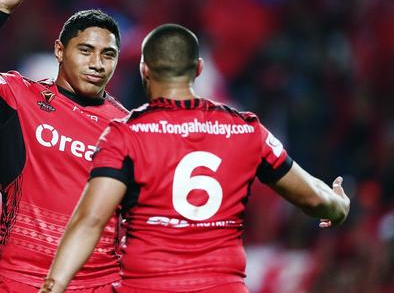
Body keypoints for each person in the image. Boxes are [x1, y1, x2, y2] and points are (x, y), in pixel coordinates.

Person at [39, 24, 351, 293]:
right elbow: (312, 197)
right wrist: (338, 206)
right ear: (198, 69)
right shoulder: (245, 130)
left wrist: (51, 287)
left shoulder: (125, 136)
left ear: (144, 69)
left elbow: (90, 221)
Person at [0, 0, 128, 293]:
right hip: (22, 283)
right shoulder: (19, 98)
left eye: (108, 54)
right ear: (59, 50)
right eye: (86, 50)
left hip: (100, 286)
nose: (98, 63)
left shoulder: (127, 128)